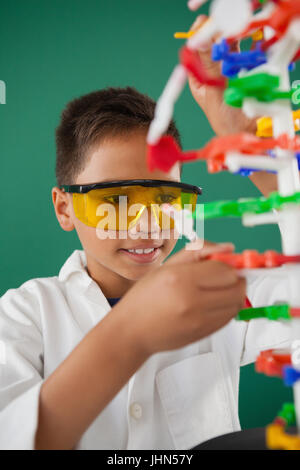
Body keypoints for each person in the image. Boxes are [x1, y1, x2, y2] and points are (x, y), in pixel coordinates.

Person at [0, 42, 292, 452]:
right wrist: (131, 331)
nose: (149, 223)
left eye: (167, 199)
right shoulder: (24, 315)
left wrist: (253, 150)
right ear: (64, 208)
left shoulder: (221, 290)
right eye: (114, 200)